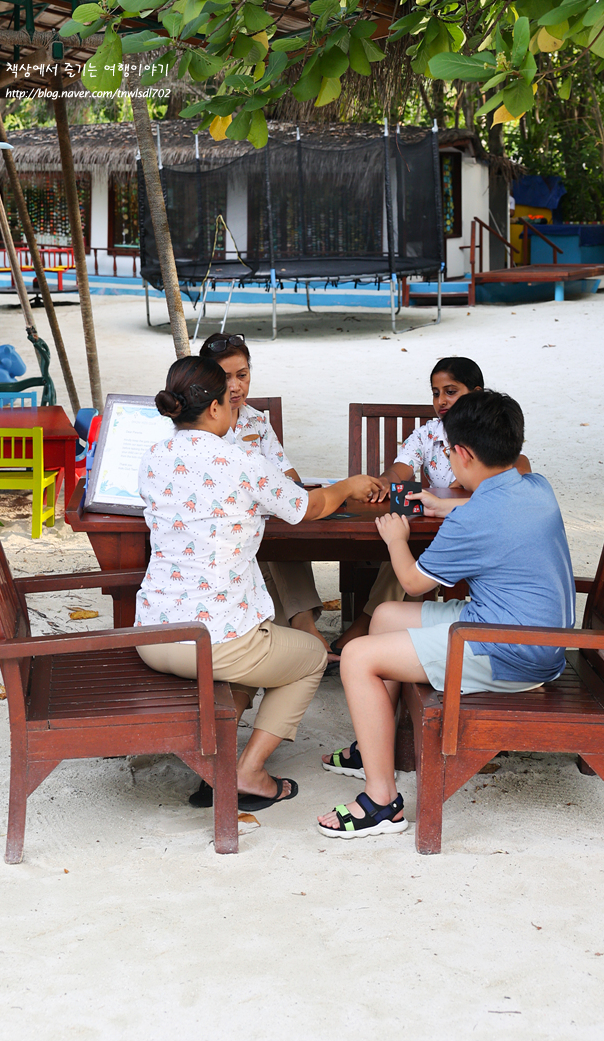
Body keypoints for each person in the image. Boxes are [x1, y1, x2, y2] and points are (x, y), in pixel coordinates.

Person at [318, 389, 575, 838]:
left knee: (358, 656)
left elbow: (417, 582)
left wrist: (396, 539)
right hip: (537, 638)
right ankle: (375, 748)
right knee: (384, 617)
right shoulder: (536, 486)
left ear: (462, 453)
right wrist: (443, 505)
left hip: (510, 652)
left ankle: (381, 803)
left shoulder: (472, 520)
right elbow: (486, 507)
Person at [136, 355, 380, 812]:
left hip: (154, 634)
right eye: (228, 400)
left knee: (256, 650)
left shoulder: (153, 457)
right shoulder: (239, 459)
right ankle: (249, 772)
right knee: (308, 658)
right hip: (216, 642)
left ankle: (219, 763)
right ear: (213, 410)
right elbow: (309, 506)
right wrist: (348, 487)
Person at [332, 357, 531, 653]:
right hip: (438, 528)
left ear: (476, 392)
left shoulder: (489, 437)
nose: (441, 400)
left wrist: (457, 490)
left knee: (405, 544)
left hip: (471, 535)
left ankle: (368, 621)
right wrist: (387, 481)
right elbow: (400, 469)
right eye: (436, 393)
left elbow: (519, 476)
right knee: (407, 539)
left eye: (451, 391)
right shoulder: (428, 433)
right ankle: (388, 636)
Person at [199, 332, 331, 656]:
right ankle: (302, 628)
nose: (236, 386)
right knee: (269, 529)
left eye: (242, 376)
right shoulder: (198, 424)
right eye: (225, 377)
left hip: (262, 525)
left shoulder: (256, 421)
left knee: (285, 524)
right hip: (220, 534)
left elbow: (290, 479)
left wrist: (272, 492)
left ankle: (299, 627)